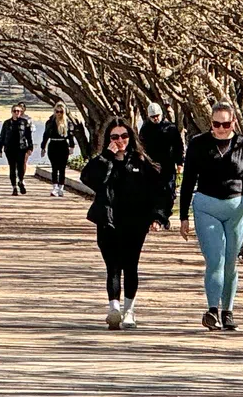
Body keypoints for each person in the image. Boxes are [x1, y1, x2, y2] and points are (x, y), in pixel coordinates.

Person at [179, 100, 243, 331]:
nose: (220, 129)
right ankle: (212, 311)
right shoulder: (198, 144)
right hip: (206, 205)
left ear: (233, 122)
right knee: (215, 260)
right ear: (211, 123)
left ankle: (228, 311)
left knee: (230, 261)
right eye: (216, 124)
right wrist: (183, 216)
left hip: (238, 207)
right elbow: (188, 181)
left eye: (225, 124)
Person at [80, 115, 169, 330]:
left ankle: (129, 310)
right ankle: (114, 309)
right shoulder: (103, 160)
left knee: (130, 266)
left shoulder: (140, 161)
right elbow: (88, 178)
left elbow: (159, 191)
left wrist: (158, 216)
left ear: (131, 136)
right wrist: (106, 156)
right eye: (115, 136)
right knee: (112, 266)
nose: (120, 140)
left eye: (124, 135)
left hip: (135, 221)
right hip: (108, 220)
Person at [139, 102, 184, 222]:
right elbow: (141, 147)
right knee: (153, 191)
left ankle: (165, 215)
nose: (156, 118)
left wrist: (180, 163)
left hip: (168, 164)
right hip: (151, 166)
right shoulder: (145, 129)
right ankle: (156, 217)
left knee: (169, 191)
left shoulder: (171, 128)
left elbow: (178, 146)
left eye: (157, 115)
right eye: (153, 117)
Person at [40, 101, 76, 197]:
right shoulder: (50, 122)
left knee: (62, 168)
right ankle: (55, 187)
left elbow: (71, 136)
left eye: (61, 112)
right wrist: (43, 147)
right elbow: (45, 135)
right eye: (57, 111)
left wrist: (72, 146)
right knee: (54, 167)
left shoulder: (68, 122)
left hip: (63, 145)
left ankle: (61, 187)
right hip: (53, 144)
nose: (59, 113)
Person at [0, 103, 34, 195]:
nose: (17, 112)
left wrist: (30, 147)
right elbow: (2, 136)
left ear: (21, 112)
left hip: (21, 148)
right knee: (12, 168)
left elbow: (29, 136)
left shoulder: (25, 122)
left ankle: (21, 181)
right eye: (15, 111)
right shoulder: (7, 123)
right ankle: (14, 187)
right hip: (9, 149)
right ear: (12, 112)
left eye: (18, 111)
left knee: (21, 167)